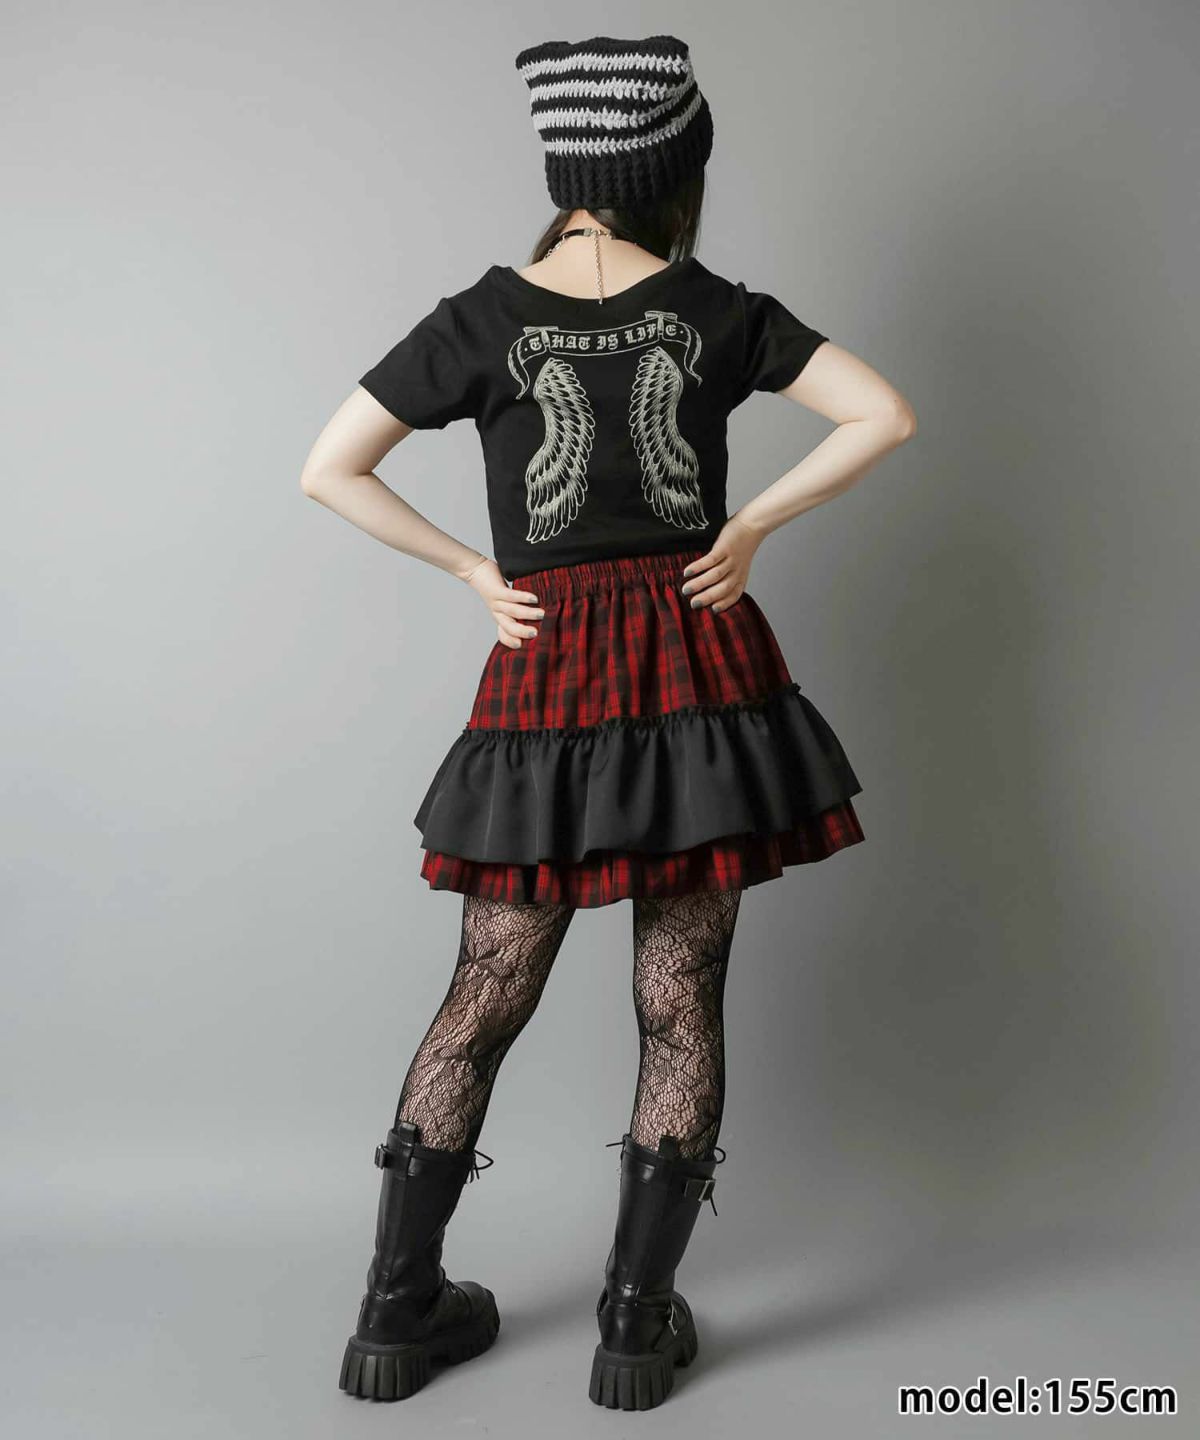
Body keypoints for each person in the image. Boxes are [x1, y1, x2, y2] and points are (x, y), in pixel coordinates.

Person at [300, 32, 916, 1413]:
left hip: (550, 678)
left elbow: (329, 468)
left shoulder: (481, 316)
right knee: (679, 997)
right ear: (674, 169)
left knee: (485, 992)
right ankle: (635, 1328)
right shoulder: (715, 308)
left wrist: (476, 572)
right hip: (700, 672)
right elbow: (882, 414)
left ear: (565, 169)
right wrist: (749, 527)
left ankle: (395, 1312)